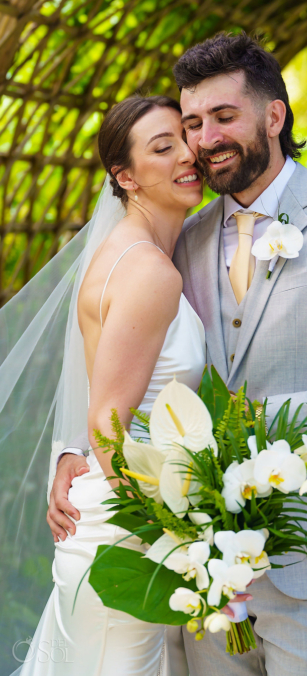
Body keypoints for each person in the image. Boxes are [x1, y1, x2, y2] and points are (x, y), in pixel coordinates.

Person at [51, 32, 307, 676]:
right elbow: (120, 353)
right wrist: (76, 449)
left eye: (224, 117)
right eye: (193, 123)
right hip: (196, 572)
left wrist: (260, 429)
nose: (204, 140)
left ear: (273, 116)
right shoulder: (183, 234)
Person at [9, 94, 206, 675]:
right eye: (162, 147)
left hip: (113, 510)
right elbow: (108, 420)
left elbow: (103, 394)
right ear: (125, 176)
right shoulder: (148, 269)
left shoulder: (129, 252)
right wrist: (170, 531)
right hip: (127, 530)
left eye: (185, 137)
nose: (187, 154)